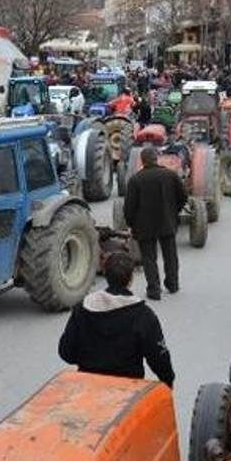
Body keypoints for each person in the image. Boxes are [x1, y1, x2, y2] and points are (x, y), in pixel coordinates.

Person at [57, 252, 175, 387]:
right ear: (130, 279)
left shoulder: (82, 309)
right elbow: (159, 357)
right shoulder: (143, 315)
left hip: (88, 389)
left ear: (105, 274)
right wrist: (168, 380)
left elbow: (66, 352)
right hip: (127, 390)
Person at [124, 147, 187, 301]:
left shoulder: (135, 180)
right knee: (170, 255)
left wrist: (131, 223)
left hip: (144, 226)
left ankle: (154, 289)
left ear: (142, 161)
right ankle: (173, 284)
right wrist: (174, 212)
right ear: (156, 159)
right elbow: (183, 197)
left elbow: (129, 207)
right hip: (167, 222)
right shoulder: (170, 175)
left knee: (149, 258)